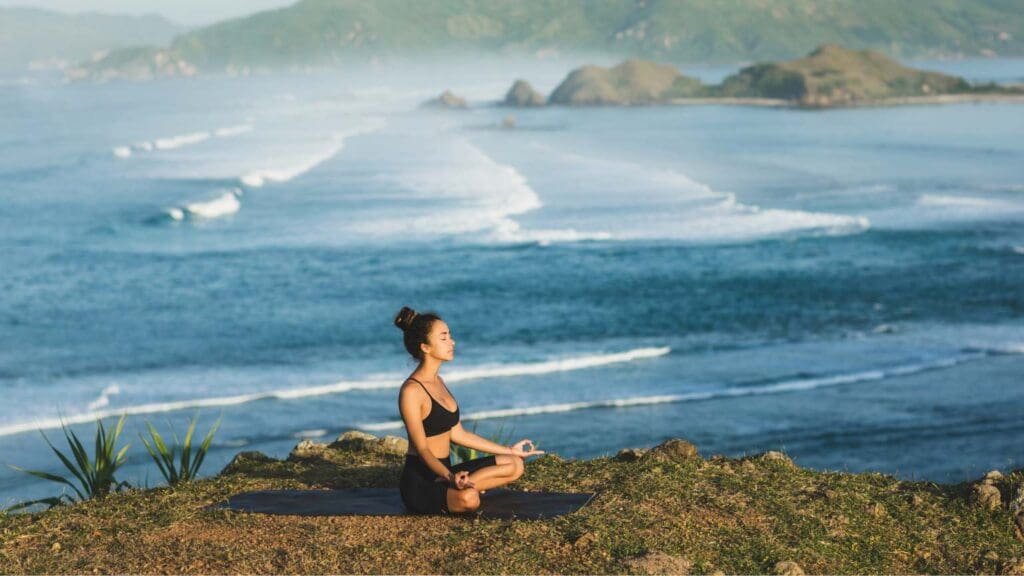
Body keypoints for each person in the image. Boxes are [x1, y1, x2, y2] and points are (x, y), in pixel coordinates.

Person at [394, 306, 544, 514]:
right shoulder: (411, 391)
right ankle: (463, 489)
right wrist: (449, 477)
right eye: (444, 338)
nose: (452, 342)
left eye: (450, 336)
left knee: (515, 464)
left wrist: (509, 450)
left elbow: (458, 434)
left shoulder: (439, 381)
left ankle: (465, 484)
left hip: (448, 473)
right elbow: (422, 449)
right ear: (425, 347)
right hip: (423, 480)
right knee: (469, 500)